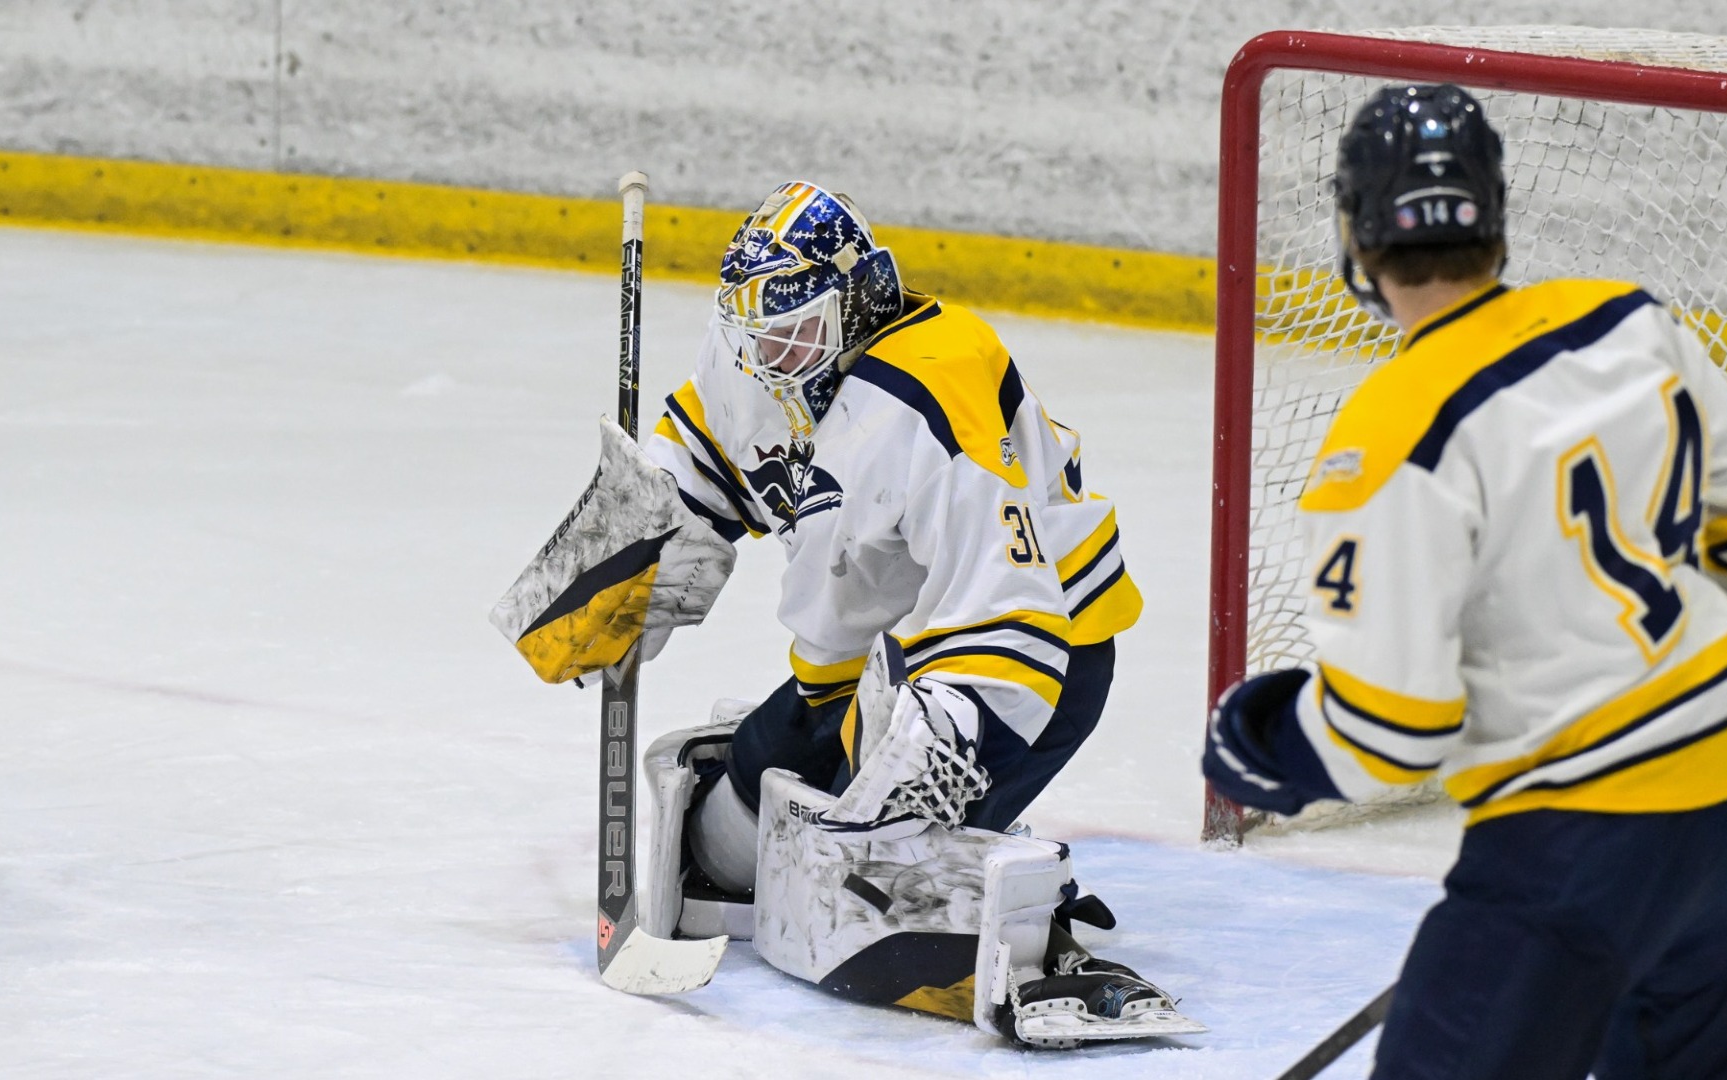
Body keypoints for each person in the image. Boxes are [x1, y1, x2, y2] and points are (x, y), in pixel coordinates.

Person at [500, 181, 1201, 1046]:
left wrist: (940, 744)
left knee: (871, 883)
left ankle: (1028, 939)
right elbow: (711, 457)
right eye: (757, 336)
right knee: (740, 819)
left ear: (859, 302)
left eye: (793, 335)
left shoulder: (929, 395)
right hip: (873, 655)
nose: (771, 359)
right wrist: (632, 551)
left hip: (1030, 658)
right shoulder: (759, 350)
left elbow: (1008, 604)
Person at [1202, 83, 1727, 1079]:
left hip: (1573, 852)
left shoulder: (1389, 440)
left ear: (1357, 235)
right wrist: (1718, 688)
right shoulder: (1627, 322)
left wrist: (1263, 751)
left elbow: (1392, 731)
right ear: (1496, 212)